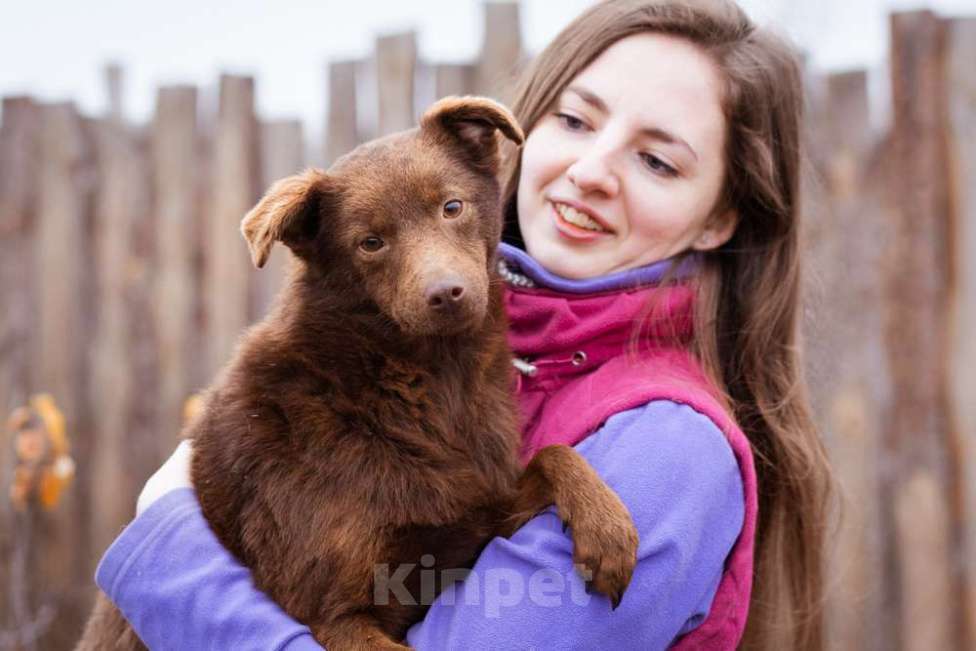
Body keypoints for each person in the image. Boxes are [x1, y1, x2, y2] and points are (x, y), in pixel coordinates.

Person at [95, 0, 832, 649]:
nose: (591, 169)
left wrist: (167, 556)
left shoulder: (666, 449)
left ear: (721, 218)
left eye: (658, 161)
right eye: (576, 120)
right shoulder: (498, 368)